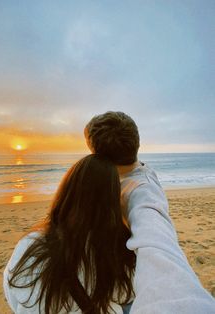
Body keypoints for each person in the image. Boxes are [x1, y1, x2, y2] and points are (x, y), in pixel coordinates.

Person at [85, 111, 215, 314]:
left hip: (131, 294)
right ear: (136, 143)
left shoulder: (141, 193)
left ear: (97, 156)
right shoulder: (140, 171)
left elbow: (156, 240)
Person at [3, 154, 136, 314]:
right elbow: (129, 295)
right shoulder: (116, 253)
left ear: (66, 191)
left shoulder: (29, 243)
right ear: (112, 203)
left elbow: (12, 293)